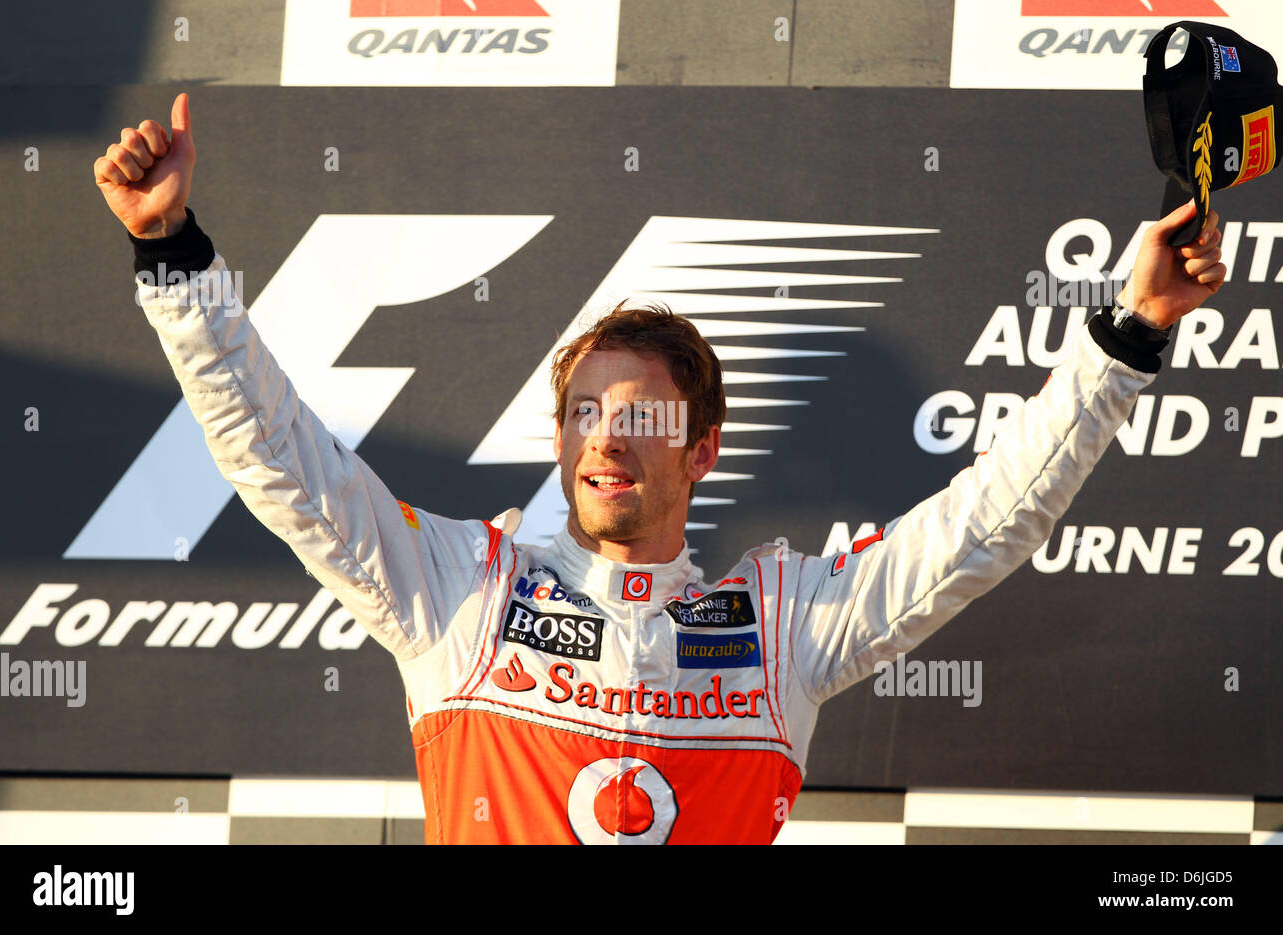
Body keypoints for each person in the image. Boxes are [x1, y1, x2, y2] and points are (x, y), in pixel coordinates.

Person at [95, 93, 1226, 844]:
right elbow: (280, 459)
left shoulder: (784, 623)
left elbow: (986, 522)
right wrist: (172, 253)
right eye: (586, 413)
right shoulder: (459, 589)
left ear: (701, 451)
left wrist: (1125, 332)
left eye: (640, 418)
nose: (606, 438)